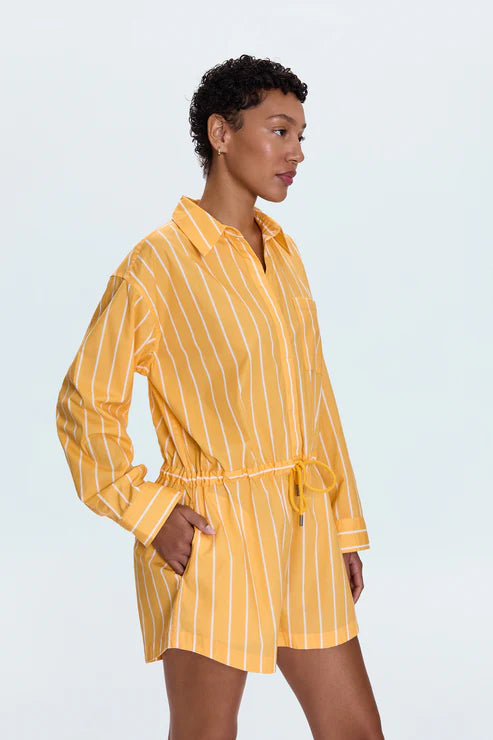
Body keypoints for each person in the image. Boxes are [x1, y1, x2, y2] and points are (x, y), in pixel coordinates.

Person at [56, 54, 384, 739]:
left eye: (301, 135)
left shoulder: (283, 254)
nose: (297, 152)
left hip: (302, 526)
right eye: (280, 130)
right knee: (207, 733)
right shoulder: (157, 265)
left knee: (354, 730)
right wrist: (150, 513)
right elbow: (85, 404)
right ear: (221, 133)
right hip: (213, 534)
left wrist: (341, 527)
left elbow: (315, 398)